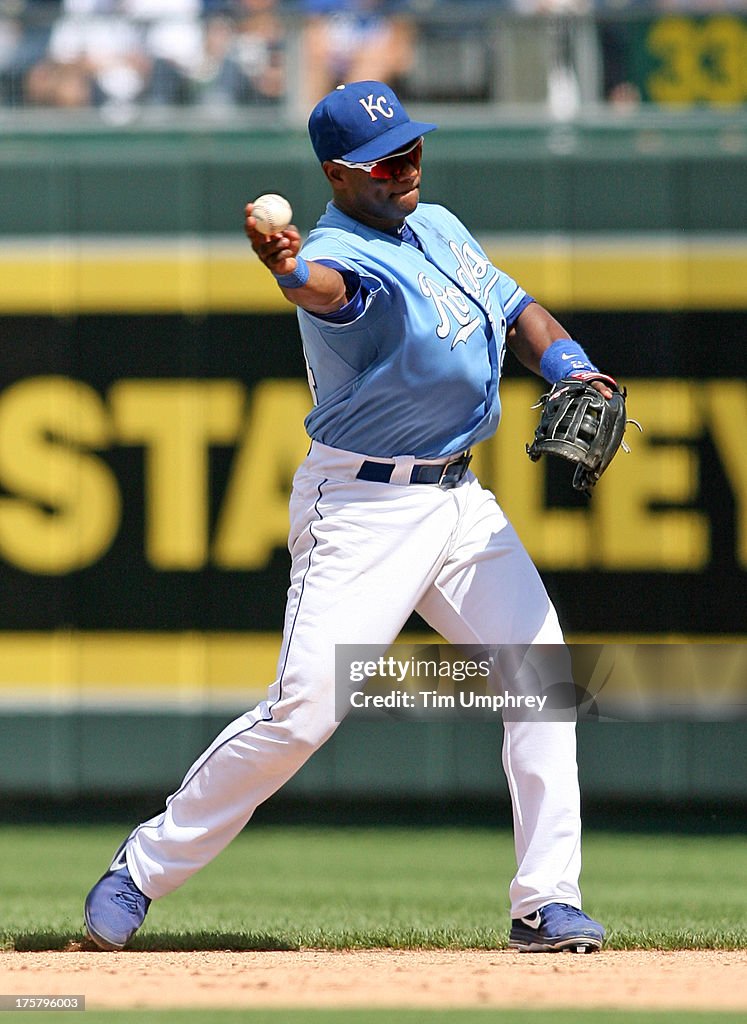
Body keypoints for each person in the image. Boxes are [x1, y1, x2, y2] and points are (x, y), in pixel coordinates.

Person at [84, 79, 609, 955]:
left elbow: (518, 312)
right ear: (336, 173)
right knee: (302, 713)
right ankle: (140, 870)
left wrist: (575, 370)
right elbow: (328, 292)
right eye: (384, 161)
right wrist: (285, 265)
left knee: (544, 683)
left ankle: (544, 903)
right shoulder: (340, 251)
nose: (405, 168)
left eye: (411, 149)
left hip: (458, 502)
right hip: (364, 506)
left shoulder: (436, 225)